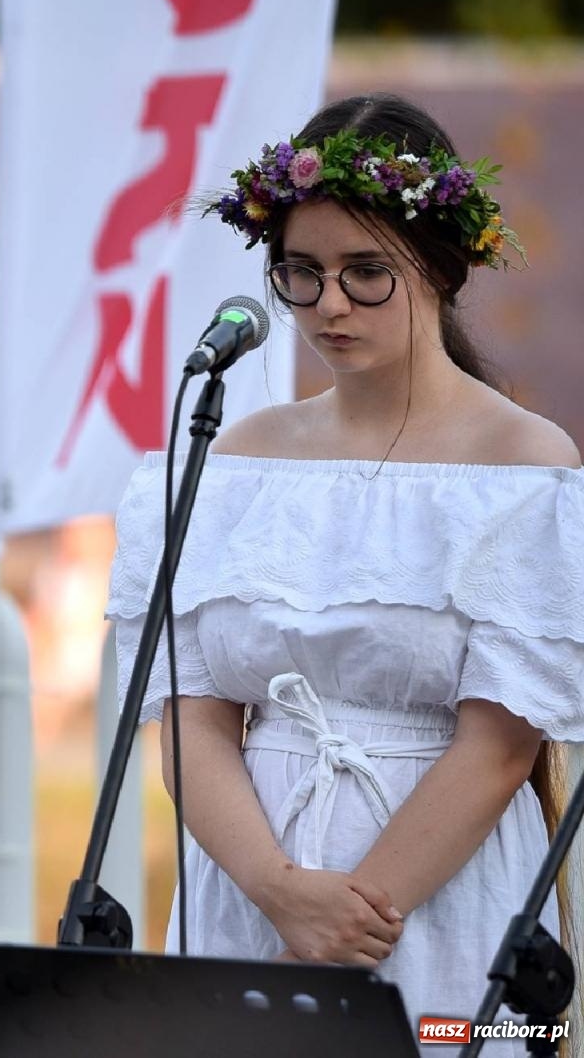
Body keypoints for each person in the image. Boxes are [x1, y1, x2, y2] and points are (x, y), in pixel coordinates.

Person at [107, 92, 583, 1048]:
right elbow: (187, 715)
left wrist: (347, 924)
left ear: (443, 268)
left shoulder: (526, 466)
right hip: (250, 882)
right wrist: (279, 893)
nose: (328, 304)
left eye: (367, 273)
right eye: (302, 272)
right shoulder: (235, 455)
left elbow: (498, 745)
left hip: (434, 895)